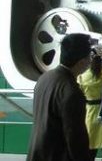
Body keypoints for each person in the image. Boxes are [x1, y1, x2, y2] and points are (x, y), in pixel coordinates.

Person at [27, 33, 92, 161]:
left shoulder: (45, 78)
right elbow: (75, 136)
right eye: (89, 57)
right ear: (82, 61)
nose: (90, 61)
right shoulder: (72, 91)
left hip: (37, 154)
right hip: (56, 156)